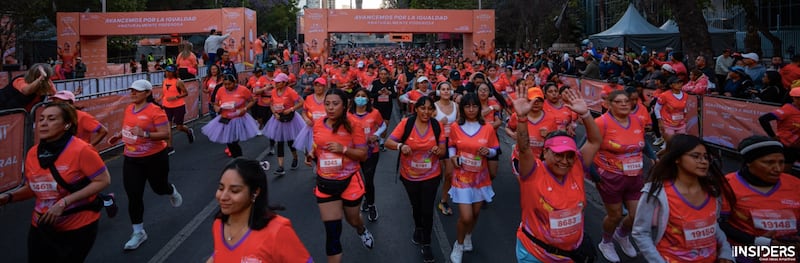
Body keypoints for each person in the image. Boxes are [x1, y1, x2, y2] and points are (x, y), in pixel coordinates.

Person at [0, 102, 110, 262]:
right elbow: (33, 188)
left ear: (67, 124)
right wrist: (8, 197)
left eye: (51, 119)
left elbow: (103, 180)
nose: (43, 123)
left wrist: (64, 203)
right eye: (42, 118)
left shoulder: (82, 150)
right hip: (41, 225)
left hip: (77, 226)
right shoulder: (32, 153)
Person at [511, 85, 601, 263]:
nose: (564, 161)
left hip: (571, 255)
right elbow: (524, 148)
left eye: (569, 155)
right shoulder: (533, 172)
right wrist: (522, 119)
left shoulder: (576, 167)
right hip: (535, 253)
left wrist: (586, 115)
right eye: (558, 155)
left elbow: (595, 140)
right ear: (545, 153)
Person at [105, 79, 184, 250]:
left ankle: (170, 190)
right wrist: (119, 136)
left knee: (159, 188)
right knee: (134, 195)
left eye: (137, 91)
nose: (133, 93)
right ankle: (138, 232)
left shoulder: (156, 111)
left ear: (147, 93)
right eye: (131, 90)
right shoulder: (129, 109)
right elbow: (130, 128)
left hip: (155, 158)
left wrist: (145, 134)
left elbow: (165, 134)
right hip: (132, 159)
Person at [632, 134, 735, 263]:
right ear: (677, 159)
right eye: (695, 156)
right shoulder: (656, 193)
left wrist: (726, 252)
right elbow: (641, 233)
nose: (703, 162)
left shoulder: (713, 190)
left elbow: (713, 225)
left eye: (706, 157)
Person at [304, 88, 374, 263]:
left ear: (345, 105)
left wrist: (343, 149)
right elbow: (318, 146)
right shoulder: (319, 124)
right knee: (333, 232)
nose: (330, 108)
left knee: (352, 220)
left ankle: (361, 229)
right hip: (326, 182)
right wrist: (312, 155)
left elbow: (363, 155)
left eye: (335, 104)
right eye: (327, 104)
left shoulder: (354, 125)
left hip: (349, 181)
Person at [207, 158, 312, 263]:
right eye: (221, 188)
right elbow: (220, 255)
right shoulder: (218, 224)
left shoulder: (277, 230)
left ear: (255, 192)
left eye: (234, 191)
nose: (223, 197)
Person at [718, 136, 800, 263]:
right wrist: (759, 242)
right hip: (745, 253)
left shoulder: (795, 184)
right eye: (769, 162)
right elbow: (719, 225)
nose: (778, 169)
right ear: (749, 162)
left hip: (789, 253)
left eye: (781, 162)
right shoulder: (728, 185)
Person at [385, 97, 445, 263]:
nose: (426, 112)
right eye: (422, 108)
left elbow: (443, 149)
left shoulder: (436, 125)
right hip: (409, 175)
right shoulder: (406, 123)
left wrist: (438, 150)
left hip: (431, 175)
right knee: (416, 206)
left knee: (427, 209)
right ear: (416, 109)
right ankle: (418, 227)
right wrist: (400, 146)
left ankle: (426, 243)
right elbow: (389, 142)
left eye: (429, 109)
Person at [594, 90, 648, 262]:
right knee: (615, 215)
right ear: (609, 105)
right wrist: (595, 175)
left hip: (635, 177)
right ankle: (606, 242)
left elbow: (642, 143)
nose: (624, 104)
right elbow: (585, 149)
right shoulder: (601, 123)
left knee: (637, 214)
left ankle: (622, 235)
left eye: (627, 100)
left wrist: (653, 157)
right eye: (619, 101)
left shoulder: (639, 121)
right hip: (610, 177)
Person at [447, 93, 500, 263]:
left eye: (474, 106)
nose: (471, 109)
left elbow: (494, 149)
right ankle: (459, 244)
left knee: (476, 213)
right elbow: (452, 145)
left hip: (480, 178)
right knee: (466, 216)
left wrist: (488, 152)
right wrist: (453, 157)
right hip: (461, 177)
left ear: (479, 108)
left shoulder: (488, 128)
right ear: (462, 108)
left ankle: (468, 235)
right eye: (467, 106)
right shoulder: (456, 126)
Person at [348, 88, 385, 222]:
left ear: (368, 99)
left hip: (371, 152)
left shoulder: (375, 113)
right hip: (354, 153)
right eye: (358, 95)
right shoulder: (348, 115)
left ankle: (371, 204)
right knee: (358, 180)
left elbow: (383, 126)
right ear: (353, 99)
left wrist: (376, 135)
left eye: (363, 96)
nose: (360, 98)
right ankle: (365, 198)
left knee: (368, 179)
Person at [201, 74, 259, 158]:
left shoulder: (243, 90)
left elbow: (252, 101)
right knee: (229, 141)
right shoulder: (220, 90)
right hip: (225, 119)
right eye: (225, 84)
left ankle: (239, 160)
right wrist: (217, 108)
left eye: (229, 84)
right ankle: (237, 160)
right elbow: (216, 103)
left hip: (238, 119)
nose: (227, 86)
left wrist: (245, 108)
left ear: (234, 82)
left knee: (234, 141)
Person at [262, 73, 305, 175]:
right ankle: (281, 166)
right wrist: (274, 113)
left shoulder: (290, 92)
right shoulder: (273, 92)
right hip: (278, 119)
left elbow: (301, 102)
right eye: (275, 81)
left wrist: (291, 109)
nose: (276, 83)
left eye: (278, 82)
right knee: (280, 142)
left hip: (289, 119)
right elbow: (271, 104)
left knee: (290, 142)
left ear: (284, 83)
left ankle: (295, 157)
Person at [759, 87, 800, 174]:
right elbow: (763, 119)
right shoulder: (787, 110)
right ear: (794, 98)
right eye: (798, 98)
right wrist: (773, 136)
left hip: (797, 145)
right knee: (783, 173)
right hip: (787, 146)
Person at [434, 82, 458, 216]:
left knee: (449, 173)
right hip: (437, 142)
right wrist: (438, 124)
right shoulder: (434, 107)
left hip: (451, 143)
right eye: (443, 89)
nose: (446, 91)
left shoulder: (456, 106)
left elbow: (460, 123)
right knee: (436, 173)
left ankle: (443, 200)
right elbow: (427, 124)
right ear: (439, 92)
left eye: (448, 89)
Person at [162, 65, 196, 154]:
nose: (168, 73)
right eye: (166, 71)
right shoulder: (164, 81)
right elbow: (165, 93)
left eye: (170, 71)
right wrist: (161, 102)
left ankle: (188, 131)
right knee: (167, 127)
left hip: (178, 106)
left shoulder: (178, 82)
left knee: (179, 127)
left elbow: (185, 93)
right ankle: (170, 147)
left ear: (174, 72)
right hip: (167, 106)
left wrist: (175, 97)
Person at [655, 77, 688, 145]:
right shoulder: (664, 95)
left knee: (680, 144)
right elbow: (657, 108)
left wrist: (685, 117)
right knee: (670, 143)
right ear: (671, 85)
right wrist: (660, 121)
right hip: (668, 123)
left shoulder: (685, 95)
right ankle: (662, 154)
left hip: (681, 123)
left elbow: (684, 108)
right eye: (677, 83)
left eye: (681, 82)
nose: (679, 84)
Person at [370, 67, 397, 150]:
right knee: (376, 125)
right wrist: (378, 93)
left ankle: (381, 142)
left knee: (385, 125)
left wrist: (389, 93)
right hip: (377, 107)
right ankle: (376, 139)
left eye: (385, 74)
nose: (383, 76)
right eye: (381, 74)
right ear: (379, 74)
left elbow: (395, 95)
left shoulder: (391, 83)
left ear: (388, 75)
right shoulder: (374, 83)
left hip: (387, 107)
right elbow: (370, 94)